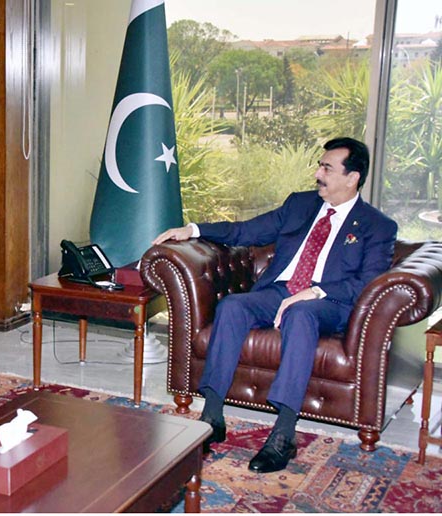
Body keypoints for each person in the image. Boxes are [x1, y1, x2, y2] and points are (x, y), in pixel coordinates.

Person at [153, 137, 397, 473]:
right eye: (319, 165)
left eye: (326, 168)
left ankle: (283, 434)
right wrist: (192, 229)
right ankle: (212, 415)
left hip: (330, 303)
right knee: (233, 307)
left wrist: (315, 292)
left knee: (300, 313)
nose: (317, 173)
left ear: (352, 177)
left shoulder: (377, 226)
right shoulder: (300, 205)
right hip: (281, 291)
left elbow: (367, 283)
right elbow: (246, 230)